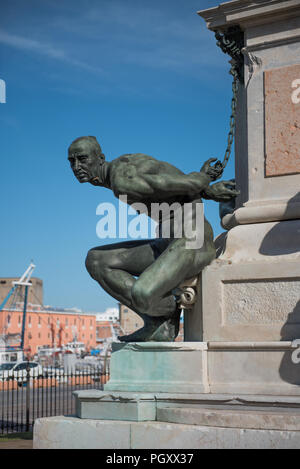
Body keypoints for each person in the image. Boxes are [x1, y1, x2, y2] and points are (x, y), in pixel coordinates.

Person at [68, 135, 238, 341]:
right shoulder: (124, 165)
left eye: (83, 159)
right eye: (72, 161)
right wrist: (207, 190)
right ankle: (156, 320)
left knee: (142, 295)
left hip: (193, 241)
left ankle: (165, 313)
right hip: (168, 242)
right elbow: (170, 182)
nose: (77, 166)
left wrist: (202, 180)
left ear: (100, 158)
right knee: (96, 260)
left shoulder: (121, 180)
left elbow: (172, 183)